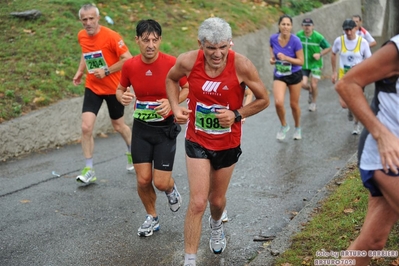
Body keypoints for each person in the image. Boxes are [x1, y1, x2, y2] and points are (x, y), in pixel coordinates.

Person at [165, 17, 269, 266]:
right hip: (197, 139)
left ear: (230, 43)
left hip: (227, 143)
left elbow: (263, 99)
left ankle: (215, 225)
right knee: (198, 201)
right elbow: (171, 79)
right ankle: (189, 259)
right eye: (211, 47)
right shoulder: (188, 61)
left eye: (223, 47)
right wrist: (174, 106)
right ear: (201, 44)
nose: (217, 53)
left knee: (216, 201)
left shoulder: (242, 65)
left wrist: (236, 114)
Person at [115, 19, 188, 237]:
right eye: (145, 40)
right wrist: (123, 96)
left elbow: (188, 87)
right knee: (143, 179)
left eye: (155, 40)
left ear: (160, 41)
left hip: (165, 129)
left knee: (161, 181)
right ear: (137, 40)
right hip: (141, 128)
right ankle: (152, 217)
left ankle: (171, 188)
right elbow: (120, 89)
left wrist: (172, 103)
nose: (150, 45)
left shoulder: (172, 63)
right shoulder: (129, 65)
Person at [335, 35, 399, 266]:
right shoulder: (396, 49)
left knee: (373, 242)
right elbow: (346, 84)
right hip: (387, 155)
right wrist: (381, 134)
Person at [72, 4, 133, 184]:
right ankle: (89, 169)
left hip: (114, 88)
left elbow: (128, 59)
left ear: (98, 18)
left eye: (91, 18)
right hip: (93, 87)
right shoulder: (81, 35)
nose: (88, 22)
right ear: (81, 21)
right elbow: (86, 53)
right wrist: (80, 71)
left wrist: (106, 71)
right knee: (86, 127)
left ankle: (132, 152)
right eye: (85, 20)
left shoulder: (111, 36)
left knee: (118, 125)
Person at [331, 19, 371, 135]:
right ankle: (350, 108)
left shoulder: (362, 42)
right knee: (344, 104)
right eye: (346, 30)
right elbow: (333, 53)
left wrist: (360, 67)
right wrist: (334, 72)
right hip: (344, 77)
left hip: (358, 77)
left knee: (356, 101)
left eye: (350, 29)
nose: (348, 32)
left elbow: (369, 60)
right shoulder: (339, 41)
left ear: (355, 29)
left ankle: (356, 125)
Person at [270, 14, 304, 140]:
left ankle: (297, 127)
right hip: (280, 74)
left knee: (294, 105)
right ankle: (284, 125)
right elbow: (271, 50)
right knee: (278, 103)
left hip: (294, 74)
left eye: (288, 24)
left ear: (291, 26)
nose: (285, 27)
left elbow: (301, 61)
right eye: (283, 24)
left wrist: (286, 58)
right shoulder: (273, 38)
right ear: (279, 25)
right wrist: (273, 59)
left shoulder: (295, 41)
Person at [296, 18, 331, 112]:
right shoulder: (298, 35)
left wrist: (320, 54)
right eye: (305, 25)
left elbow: (328, 47)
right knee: (303, 84)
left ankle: (313, 103)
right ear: (302, 26)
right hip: (304, 64)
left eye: (309, 25)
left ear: (313, 26)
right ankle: (310, 91)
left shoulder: (318, 37)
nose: (307, 27)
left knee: (314, 84)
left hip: (315, 64)